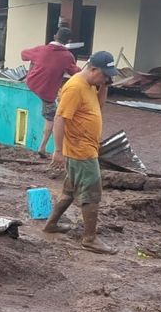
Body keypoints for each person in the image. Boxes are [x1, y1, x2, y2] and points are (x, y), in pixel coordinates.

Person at [44, 51, 118, 254]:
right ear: (93, 69)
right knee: (92, 193)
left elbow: (99, 107)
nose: (106, 78)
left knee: (70, 190)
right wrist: (58, 150)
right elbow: (60, 118)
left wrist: (104, 86)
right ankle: (90, 239)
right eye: (104, 75)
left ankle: (51, 224)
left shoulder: (90, 85)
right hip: (81, 151)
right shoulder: (75, 87)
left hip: (85, 147)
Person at [22, 27, 81, 158]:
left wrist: (35, 61)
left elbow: (23, 54)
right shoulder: (67, 56)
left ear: (55, 36)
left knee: (52, 113)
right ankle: (43, 147)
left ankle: (43, 148)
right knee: (53, 118)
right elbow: (75, 73)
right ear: (68, 41)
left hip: (31, 83)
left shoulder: (41, 49)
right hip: (47, 93)